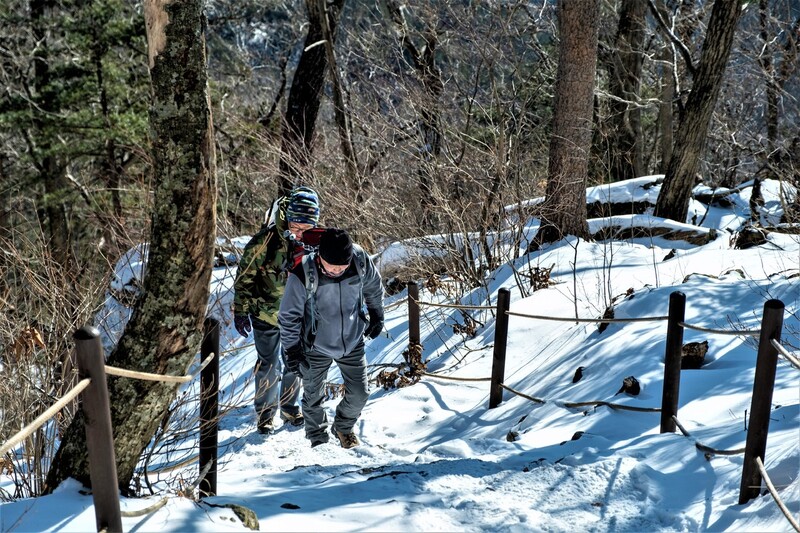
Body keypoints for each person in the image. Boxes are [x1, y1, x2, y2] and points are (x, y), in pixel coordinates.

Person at [278, 228, 384, 448]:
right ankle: (317, 437)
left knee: (360, 393)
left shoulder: (359, 260)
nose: (337, 270)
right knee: (313, 394)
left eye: (342, 266)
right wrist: (292, 350)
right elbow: (289, 316)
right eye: (332, 266)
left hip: (352, 339)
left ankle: (343, 427)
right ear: (320, 257)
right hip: (315, 344)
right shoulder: (303, 273)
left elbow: (373, 285)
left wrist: (376, 313)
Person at [233, 186, 321, 434]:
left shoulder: (316, 242)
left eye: (307, 227)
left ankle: (290, 409)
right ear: (288, 217)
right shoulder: (266, 241)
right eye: (296, 225)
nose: (300, 232)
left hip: (298, 316)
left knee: (295, 363)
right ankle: (265, 415)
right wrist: (241, 310)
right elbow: (244, 277)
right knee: (269, 365)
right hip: (266, 313)